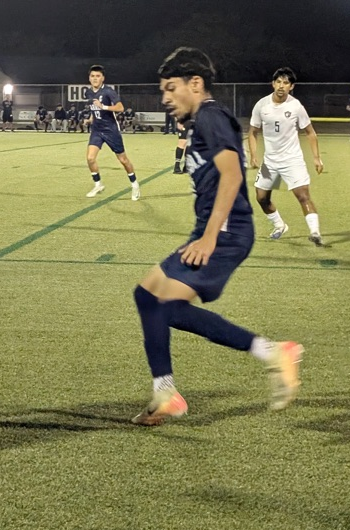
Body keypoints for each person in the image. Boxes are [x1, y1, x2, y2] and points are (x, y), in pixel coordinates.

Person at [131, 47, 303, 426]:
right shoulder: (200, 122)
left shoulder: (210, 117)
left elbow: (232, 176)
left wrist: (209, 238)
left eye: (170, 88)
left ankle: (273, 353)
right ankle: (166, 390)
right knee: (148, 297)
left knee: (161, 305)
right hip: (214, 230)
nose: (165, 97)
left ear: (195, 84)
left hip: (224, 234)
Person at [248, 67, 325, 246]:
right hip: (270, 161)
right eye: (278, 82)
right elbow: (253, 132)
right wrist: (253, 155)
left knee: (303, 196)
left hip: (292, 160)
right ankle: (279, 225)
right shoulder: (261, 105)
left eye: (286, 83)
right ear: (273, 84)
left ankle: (315, 233)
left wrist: (316, 158)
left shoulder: (296, 106)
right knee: (261, 198)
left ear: (292, 86)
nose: (281, 86)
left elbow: (310, 132)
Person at [83, 64, 140, 201]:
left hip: (111, 130)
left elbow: (120, 108)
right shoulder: (89, 93)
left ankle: (135, 185)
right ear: (89, 78)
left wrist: (104, 106)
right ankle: (98, 185)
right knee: (90, 158)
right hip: (97, 130)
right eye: (92, 76)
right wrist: (90, 119)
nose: (95, 78)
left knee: (123, 160)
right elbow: (94, 109)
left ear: (103, 78)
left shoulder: (109, 91)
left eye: (98, 76)